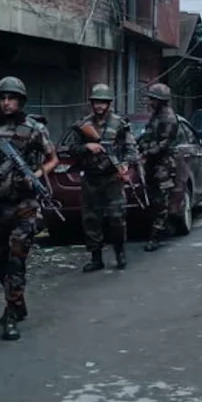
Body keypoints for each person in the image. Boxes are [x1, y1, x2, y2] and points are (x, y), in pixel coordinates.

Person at [0, 76, 58, 341]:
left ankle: (10, 314)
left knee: (16, 260)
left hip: (23, 205)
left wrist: (36, 174)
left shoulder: (34, 129)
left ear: (20, 101)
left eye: (12, 98)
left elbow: (53, 158)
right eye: (3, 98)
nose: (7, 103)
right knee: (0, 261)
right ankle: (17, 302)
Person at [71, 84, 140, 272]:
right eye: (96, 102)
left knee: (117, 218)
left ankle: (120, 252)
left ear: (109, 103)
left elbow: (131, 148)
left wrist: (125, 165)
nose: (99, 106)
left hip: (112, 178)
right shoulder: (83, 125)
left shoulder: (119, 124)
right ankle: (96, 257)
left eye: (103, 102)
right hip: (91, 179)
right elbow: (71, 150)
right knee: (91, 219)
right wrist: (87, 147)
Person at [137, 83, 179, 252]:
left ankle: (155, 237)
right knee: (153, 201)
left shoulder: (168, 118)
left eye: (153, 99)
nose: (149, 102)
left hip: (163, 165)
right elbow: (147, 136)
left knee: (161, 202)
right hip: (153, 165)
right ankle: (162, 229)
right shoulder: (155, 116)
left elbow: (164, 144)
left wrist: (145, 153)